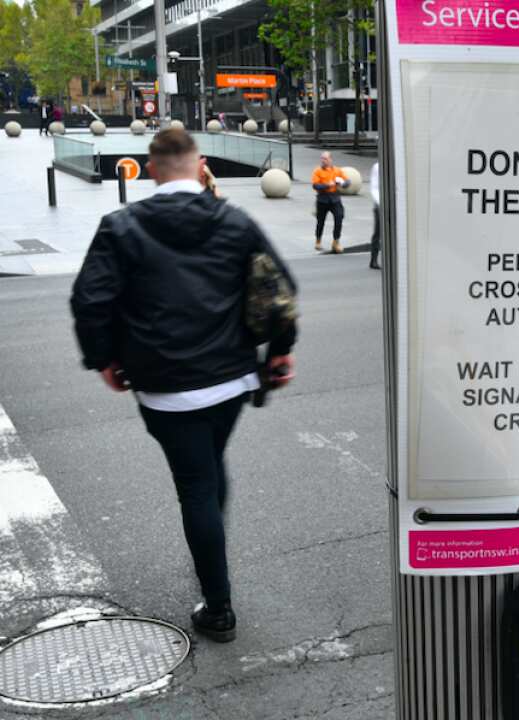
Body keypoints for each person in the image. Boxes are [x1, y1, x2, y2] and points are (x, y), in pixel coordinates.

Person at [70, 128, 298, 643]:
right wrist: (280, 349)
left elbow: (90, 300)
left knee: (196, 483)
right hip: (232, 379)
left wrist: (103, 359)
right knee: (210, 467)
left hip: (164, 387)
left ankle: (218, 607)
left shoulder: (120, 227)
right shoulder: (235, 222)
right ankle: (209, 551)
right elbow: (278, 288)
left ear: (150, 169)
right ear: (200, 168)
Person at [312, 151, 347, 254]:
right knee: (320, 221)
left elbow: (347, 181)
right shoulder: (317, 171)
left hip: (335, 198)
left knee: (339, 217)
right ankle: (318, 240)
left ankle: (336, 241)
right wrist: (328, 185)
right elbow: (315, 185)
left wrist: (343, 183)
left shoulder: (337, 170)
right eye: (322, 158)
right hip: (322, 198)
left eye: (325, 158)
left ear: (330, 159)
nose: (323, 160)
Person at [368, 161, 381, 270]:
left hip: (393, 204)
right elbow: (374, 188)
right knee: (378, 233)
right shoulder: (377, 167)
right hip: (380, 206)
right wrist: (381, 203)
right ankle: (374, 260)